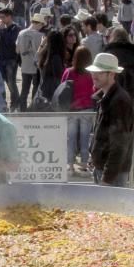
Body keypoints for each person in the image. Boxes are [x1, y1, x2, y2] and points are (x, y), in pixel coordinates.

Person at [87, 53, 134, 187]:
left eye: (100, 72)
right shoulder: (105, 97)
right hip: (104, 168)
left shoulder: (119, 101)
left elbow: (120, 145)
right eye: (94, 71)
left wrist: (107, 179)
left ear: (112, 74)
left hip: (113, 174)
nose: (94, 75)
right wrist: (94, 156)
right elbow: (101, 133)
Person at [62, 46, 95, 176]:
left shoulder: (69, 72)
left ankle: (70, 166)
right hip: (87, 108)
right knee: (85, 139)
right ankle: (84, 166)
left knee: (70, 138)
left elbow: (62, 88)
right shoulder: (91, 74)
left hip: (72, 109)